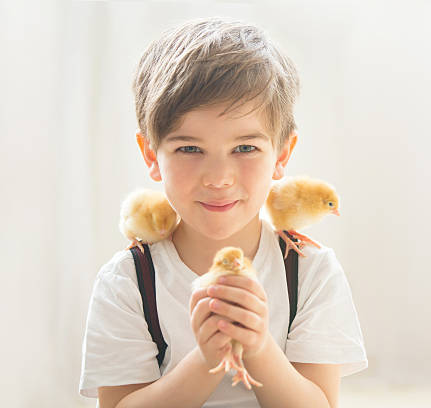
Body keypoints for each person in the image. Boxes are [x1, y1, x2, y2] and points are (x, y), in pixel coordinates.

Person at [79, 16, 367, 408]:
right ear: (152, 155)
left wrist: (258, 346)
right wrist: (208, 358)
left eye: (245, 148)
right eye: (190, 149)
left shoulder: (309, 271)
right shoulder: (129, 280)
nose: (218, 178)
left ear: (281, 155)